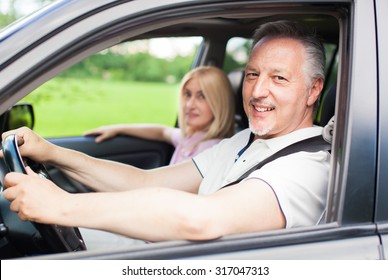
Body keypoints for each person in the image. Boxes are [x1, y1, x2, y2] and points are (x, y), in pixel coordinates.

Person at [1, 20, 330, 245]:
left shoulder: (309, 166)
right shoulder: (243, 141)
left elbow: (202, 219)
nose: (257, 91)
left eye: (279, 78)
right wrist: (52, 152)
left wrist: (62, 206)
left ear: (314, 90)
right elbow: (144, 182)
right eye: (252, 74)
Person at [84, 66, 236, 164]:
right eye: (187, 94)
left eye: (202, 96)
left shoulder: (212, 149)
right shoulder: (190, 137)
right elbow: (162, 131)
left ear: (220, 103)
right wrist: (119, 128)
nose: (190, 105)